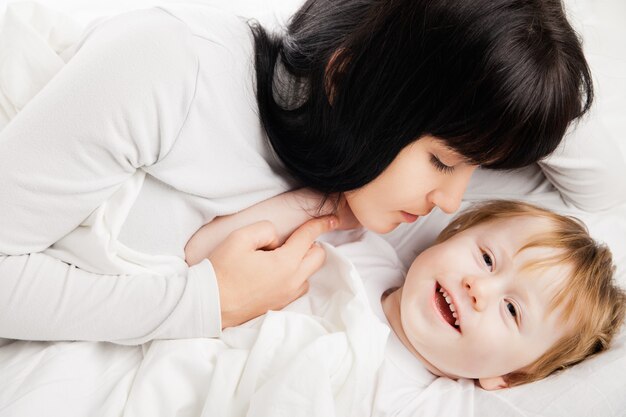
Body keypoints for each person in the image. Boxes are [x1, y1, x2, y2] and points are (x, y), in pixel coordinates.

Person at [0, 0, 595, 343]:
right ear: (346, 78)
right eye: (442, 161)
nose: (450, 201)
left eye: (474, 168)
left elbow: (597, 193)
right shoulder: (173, 68)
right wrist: (211, 301)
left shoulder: (371, 177)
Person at [185, 195, 626, 413]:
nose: (479, 288)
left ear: (507, 376)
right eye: (487, 258)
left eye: (512, 310)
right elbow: (207, 253)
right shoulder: (357, 245)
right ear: (449, 237)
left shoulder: (431, 403)